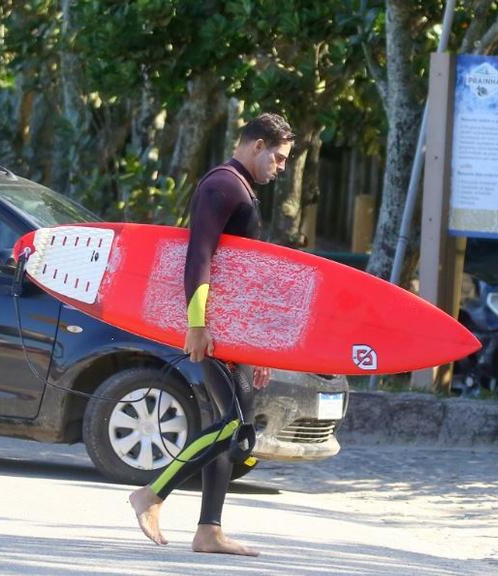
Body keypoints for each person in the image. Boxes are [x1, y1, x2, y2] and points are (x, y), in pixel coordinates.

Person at [128, 112, 295, 556]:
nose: (280, 168)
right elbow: (197, 258)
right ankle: (152, 494)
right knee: (234, 427)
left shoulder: (241, 189)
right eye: (277, 158)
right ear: (256, 145)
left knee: (232, 429)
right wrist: (197, 324)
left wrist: (256, 345)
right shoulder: (221, 186)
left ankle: (209, 530)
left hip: (232, 333)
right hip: (213, 330)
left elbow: (242, 276)